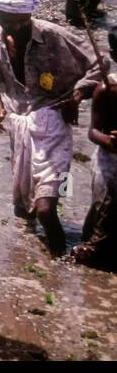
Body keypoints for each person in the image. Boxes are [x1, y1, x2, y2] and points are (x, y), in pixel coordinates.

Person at [0, 0, 102, 256]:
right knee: (24, 208)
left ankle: (60, 259)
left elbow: (99, 64)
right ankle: (31, 260)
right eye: (5, 22)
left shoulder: (53, 35)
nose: (11, 29)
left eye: (18, 23)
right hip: (19, 123)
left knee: (46, 208)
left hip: (54, 120)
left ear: (28, 18)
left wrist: (78, 95)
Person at [78, 28, 117, 270]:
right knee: (103, 214)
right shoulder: (106, 89)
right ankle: (88, 255)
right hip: (110, 162)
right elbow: (92, 132)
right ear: (113, 54)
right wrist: (109, 141)